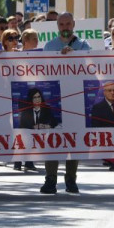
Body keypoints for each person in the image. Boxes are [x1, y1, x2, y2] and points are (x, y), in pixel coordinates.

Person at [40, 12, 89, 194]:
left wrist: (74, 56)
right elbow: (43, 70)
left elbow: (88, 67)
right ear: (57, 26)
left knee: (73, 138)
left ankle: (71, 179)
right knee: (52, 139)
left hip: (75, 97)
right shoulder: (50, 46)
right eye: (62, 24)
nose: (65, 27)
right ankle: (50, 179)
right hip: (54, 98)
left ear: (73, 24)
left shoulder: (84, 44)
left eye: (68, 24)